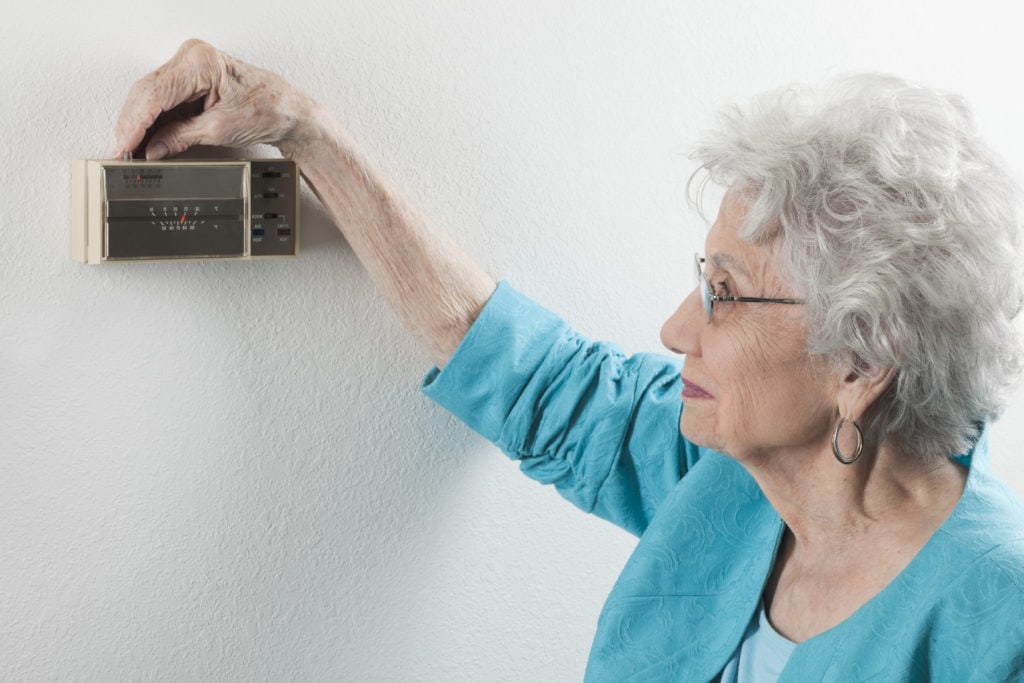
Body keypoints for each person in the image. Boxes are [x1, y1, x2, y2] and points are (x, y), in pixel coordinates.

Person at [115, 40, 1024, 681]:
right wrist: (304, 129)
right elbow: (520, 368)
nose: (676, 329)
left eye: (726, 293)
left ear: (863, 359)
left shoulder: (999, 618)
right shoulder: (723, 475)